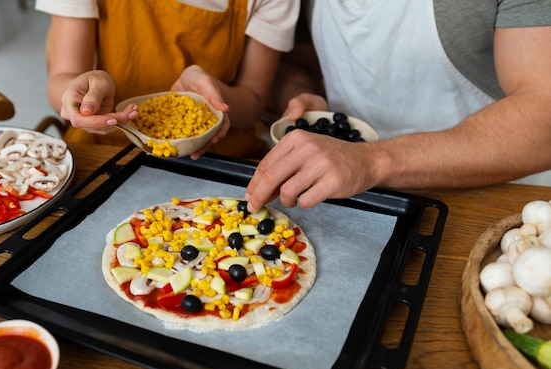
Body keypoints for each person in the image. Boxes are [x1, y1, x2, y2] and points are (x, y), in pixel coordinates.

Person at [245, 0, 551, 213]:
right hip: (346, 195)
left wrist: (372, 162)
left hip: (493, 200)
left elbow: (543, 117)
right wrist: (302, 94)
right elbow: (293, 62)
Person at [35, 0, 300, 159]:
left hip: (216, 153)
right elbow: (61, 80)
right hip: (108, 150)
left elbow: (252, 103)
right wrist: (84, 95)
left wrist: (212, 94)